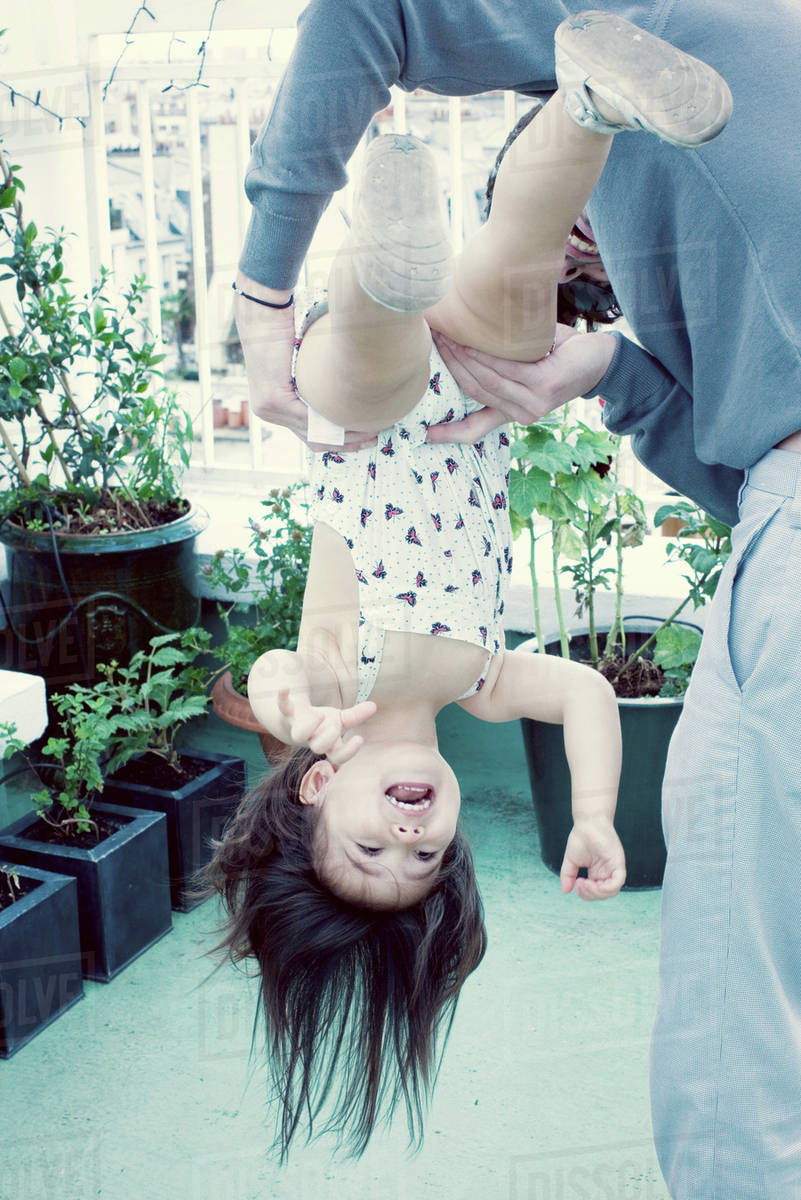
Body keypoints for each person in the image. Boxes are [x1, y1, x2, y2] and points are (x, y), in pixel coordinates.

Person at [234, 4, 801, 1195]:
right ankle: (587, 102)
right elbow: (590, 693)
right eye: (425, 864)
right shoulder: (486, 686)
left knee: (364, 361)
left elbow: (281, 683)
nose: (412, 837)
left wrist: (296, 700)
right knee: (510, 263)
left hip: (369, 427)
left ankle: (381, 270)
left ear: (320, 790)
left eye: (368, 849)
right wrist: (595, 815)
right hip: (480, 399)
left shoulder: (337, 689)